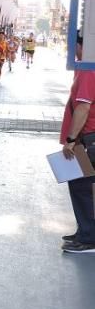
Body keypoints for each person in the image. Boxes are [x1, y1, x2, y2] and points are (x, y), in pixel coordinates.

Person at [60, 34, 95, 254]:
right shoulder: (86, 68)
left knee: (81, 186)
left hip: (88, 139)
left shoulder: (88, 70)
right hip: (88, 139)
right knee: (81, 186)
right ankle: (85, 229)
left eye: (74, 45)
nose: (72, 50)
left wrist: (71, 141)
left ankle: (88, 238)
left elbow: (83, 107)